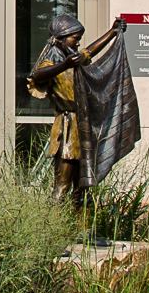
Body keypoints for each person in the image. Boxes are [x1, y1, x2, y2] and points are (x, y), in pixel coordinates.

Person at [26, 14, 140, 222]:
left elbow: (90, 51)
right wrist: (65, 65)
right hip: (67, 129)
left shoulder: (74, 58)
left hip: (84, 127)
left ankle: (83, 229)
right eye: (75, 38)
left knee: (83, 187)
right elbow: (38, 75)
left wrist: (113, 32)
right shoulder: (52, 62)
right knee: (61, 186)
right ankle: (54, 229)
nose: (78, 42)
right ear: (60, 38)